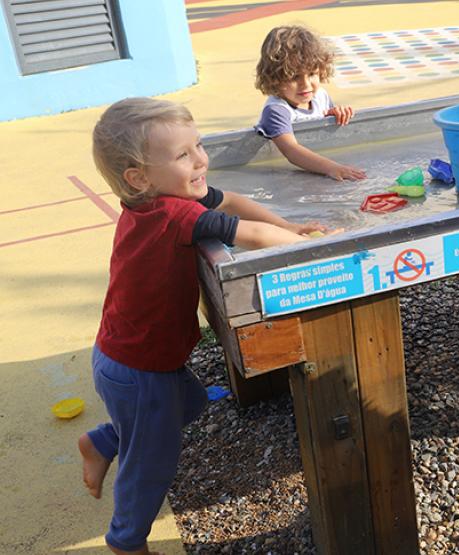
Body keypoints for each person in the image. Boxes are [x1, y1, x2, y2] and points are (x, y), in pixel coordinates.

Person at [78, 97, 322, 555]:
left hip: (128, 356)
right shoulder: (175, 214)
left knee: (190, 402)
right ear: (139, 177)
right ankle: (126, 540)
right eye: (183, 155)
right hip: (139, 369)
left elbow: (233, 202)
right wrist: (321, 248)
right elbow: (252, 235)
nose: (201, 160)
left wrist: (288, 225)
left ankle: (104, 440)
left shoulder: (159, 200)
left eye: (199, 146)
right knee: (151, 463)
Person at [254, 25, 366, 181]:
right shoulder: (276, 110)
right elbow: (291, 150)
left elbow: (326, 130)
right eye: (294, 77)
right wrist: (332, 168)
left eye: (312, 74)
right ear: (274, 78)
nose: (306, 85)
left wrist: (336, 113)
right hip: (289, 179)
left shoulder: (320, 96)